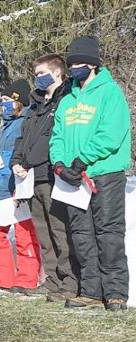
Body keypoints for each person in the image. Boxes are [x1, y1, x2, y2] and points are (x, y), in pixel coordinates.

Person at [49, 37, 131, 311]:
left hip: (103, 174)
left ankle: (116, 292)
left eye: (80, 62)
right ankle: (91, 291)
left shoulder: (110, 93)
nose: (75, 67)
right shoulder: (67, 100)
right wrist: (60, 165)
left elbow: (111, 133)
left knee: (108, 233)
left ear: (94, 64)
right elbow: (57, 136)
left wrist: (82, 160)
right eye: (71, 63)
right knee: (81, 234)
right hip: (72, 179)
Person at [11, 54, 79, 302]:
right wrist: (16, 161)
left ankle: (70, 281)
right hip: (32, 179)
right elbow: (23, 138)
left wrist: (28, 162)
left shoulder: (65, 99)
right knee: (44, 233)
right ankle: (51, 280)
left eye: (41, 73)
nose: (37, 78)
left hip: (52, 174)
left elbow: (49, 138)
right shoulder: (35, 104)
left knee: (60, 231)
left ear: (57, 72)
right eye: (36, 74)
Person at [0, 80, 41, 291]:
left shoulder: (26, 122)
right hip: (0, 188)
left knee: (25, 235)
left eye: (7, 100)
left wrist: (21, 184)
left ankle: (27, 278)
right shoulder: (5, 126)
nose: (3, 105)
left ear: (18, 101)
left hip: (17, 187)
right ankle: (2, 276)